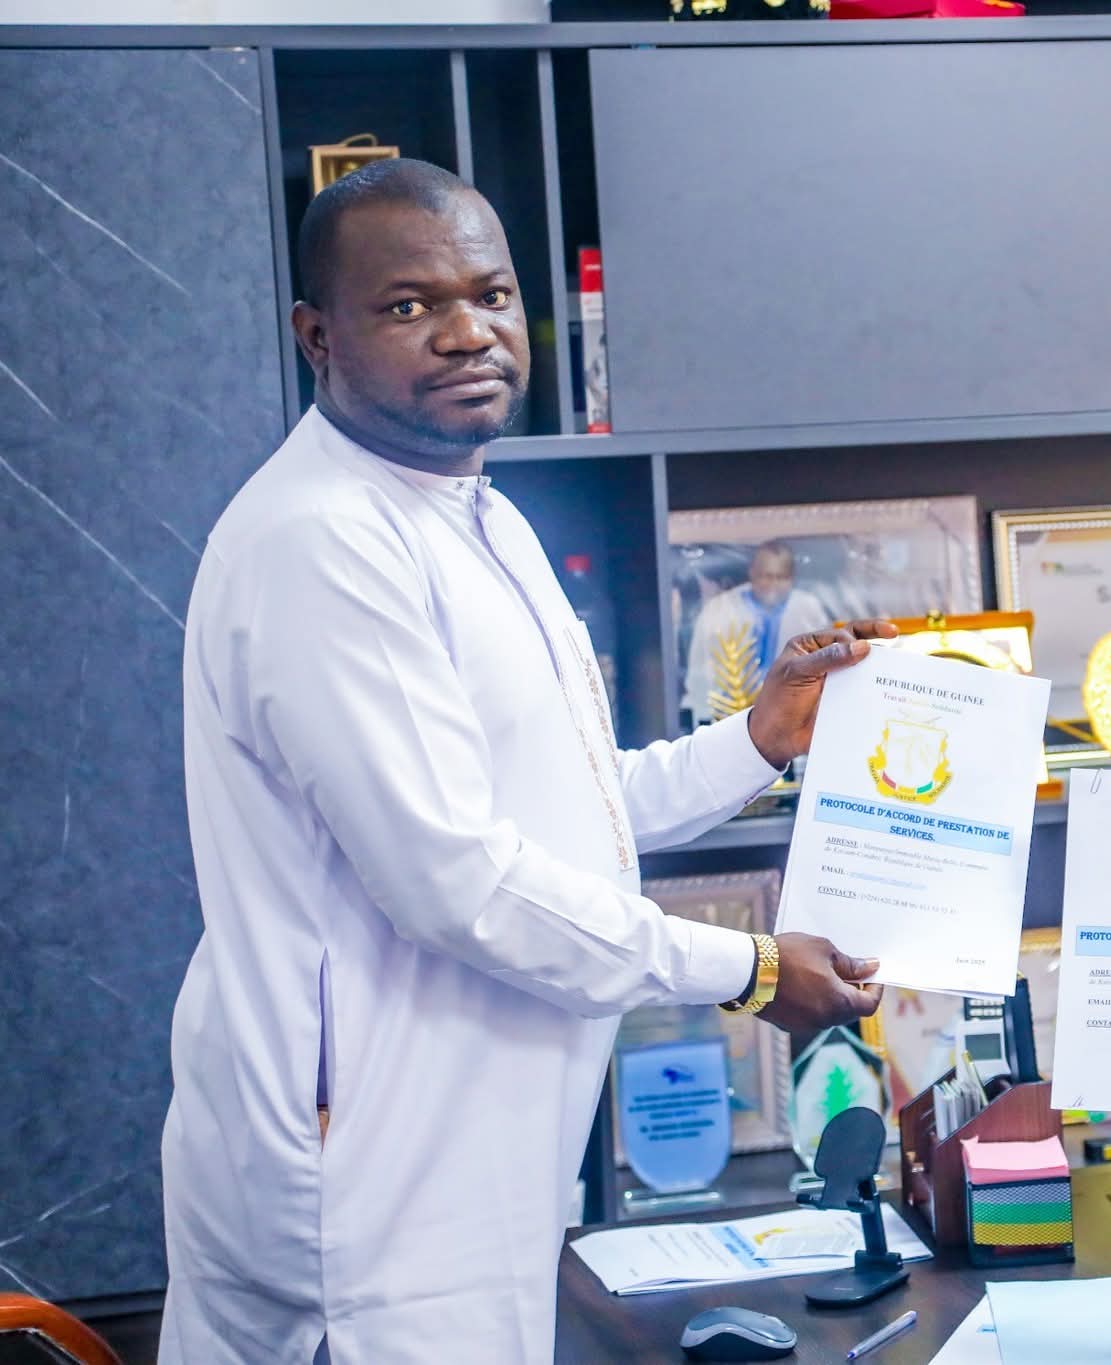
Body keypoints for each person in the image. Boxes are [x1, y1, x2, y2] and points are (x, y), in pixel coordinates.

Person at [161, 158, 893, 1364]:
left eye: (490, 295)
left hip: (473, 1143)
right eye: (409, 306)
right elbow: (459, 882)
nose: (467, 334)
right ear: (316, 335)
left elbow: (562, 813)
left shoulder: (477, 512)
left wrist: (758, 740)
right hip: (368, 1170)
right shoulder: (322, 541)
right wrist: (749, 969)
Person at [684, 541, 832, 723]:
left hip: (790, 716)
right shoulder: (721, 610)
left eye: (781, 577)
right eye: (766, 577)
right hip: (728, 716)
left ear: (792, 578)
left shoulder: (808, 610)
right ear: (752, 573)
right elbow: (700, 672)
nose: (773, 584)